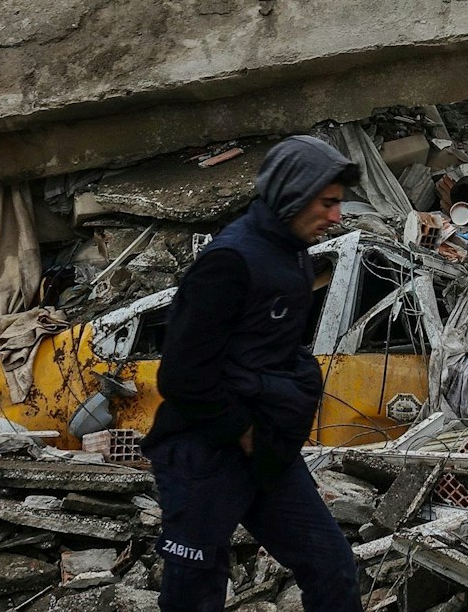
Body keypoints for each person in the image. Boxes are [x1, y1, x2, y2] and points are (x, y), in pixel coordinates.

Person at [144, 136, 364, 612]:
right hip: (203, 454)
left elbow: (273, 352)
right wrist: (241, 432)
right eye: (327, 203)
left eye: (338, 205)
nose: (336, 217)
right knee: (194, 594)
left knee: (332, 567)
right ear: (293, 193)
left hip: (265, 451)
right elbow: (181, 376)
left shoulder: (294, 255)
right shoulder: (229, 261)